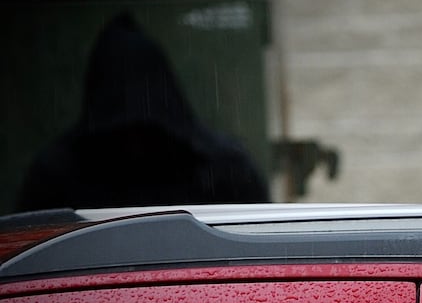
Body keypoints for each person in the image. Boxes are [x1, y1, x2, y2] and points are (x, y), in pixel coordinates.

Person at [14, 11, 269, 211]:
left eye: (145, 132)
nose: (133, 146)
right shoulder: (55, 176)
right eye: (120, 134)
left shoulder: (225, 170)